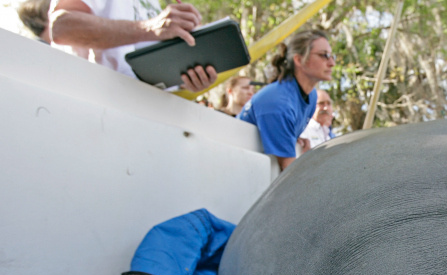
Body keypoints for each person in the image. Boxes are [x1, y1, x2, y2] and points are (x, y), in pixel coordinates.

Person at [49, 0, 217, 92]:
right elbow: (61, 27)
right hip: (100, 106)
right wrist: (149, 28)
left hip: (150, 115)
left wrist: (188, 78)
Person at [238, 29, 335, 171]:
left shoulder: (312, 96)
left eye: (332, 56)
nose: (331, 63)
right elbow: (289, 172)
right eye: (324, 55)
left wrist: (294, 141)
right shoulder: (278, 103)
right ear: (299, 60)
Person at [297, 88, 335, 155]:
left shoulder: (329, 134)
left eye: (328, 104)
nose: (325, 108)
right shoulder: (303, 130)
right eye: (321, 103)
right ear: (311, 106)